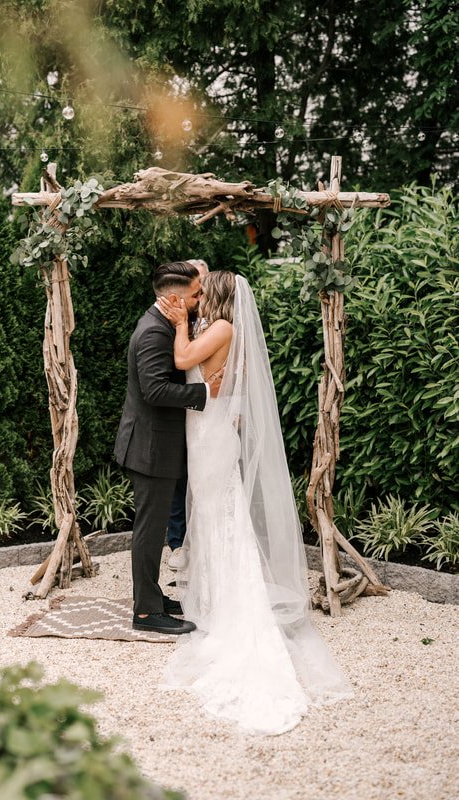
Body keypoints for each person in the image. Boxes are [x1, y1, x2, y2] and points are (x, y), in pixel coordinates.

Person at [158, 272, 353, 735]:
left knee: (220, 516)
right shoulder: (219, 329)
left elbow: (183, 358)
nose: (196, 298)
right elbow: (215, 380)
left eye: (203, 293)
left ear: (221, 297)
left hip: (211, 437)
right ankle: (211, 596)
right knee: (211, 517)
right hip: (206, 430)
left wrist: (182, 323)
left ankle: (229, 604)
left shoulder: (222, 328)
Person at [114, 261, 221, 636]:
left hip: (157, 443)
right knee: (149, 531)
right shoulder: (152, 334)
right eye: (196, 294)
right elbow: (155, 391)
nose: (200, 299)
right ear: (175, 297)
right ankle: (145, 613)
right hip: (149, 447)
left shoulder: (165, 324)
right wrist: (207, 393)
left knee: (153, 527)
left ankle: (154, 597)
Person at [166, 258, 210, 571]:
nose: (199, 295)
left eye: (203, 287)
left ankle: (206, 543)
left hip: (207, 412)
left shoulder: (214, 323)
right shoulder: (172, 318)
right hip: (178, 408)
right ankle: (177, 543)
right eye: (196, 289)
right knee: (178, 475)